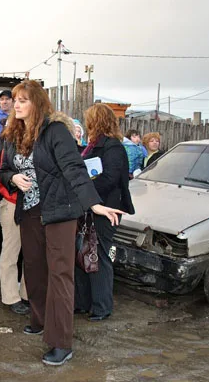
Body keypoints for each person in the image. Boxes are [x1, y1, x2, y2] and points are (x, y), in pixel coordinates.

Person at [0, 80, 124, 366]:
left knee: (60, 276)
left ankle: (61, 342)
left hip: (59, 211)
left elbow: (73, 168)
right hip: (28, 211)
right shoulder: (13, 133)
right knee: (34, 269)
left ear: (38, 103)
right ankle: (40, 319)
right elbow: (3, 168)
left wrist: (93, 203)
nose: (16, 104)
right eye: (15, 99)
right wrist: (12, 179)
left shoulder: (55, 131)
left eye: (23, 100)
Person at [75, 103, 135, 322]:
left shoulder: (113, 147)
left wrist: (84, 193)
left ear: (96, 121)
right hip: (90, 208)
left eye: (89, 118)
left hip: (106, 209)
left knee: (98, 257)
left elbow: (110, 178)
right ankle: (82, 303)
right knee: (82, 255)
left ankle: (102, 307)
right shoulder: (91, 146)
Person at [0, 116, 29, 315]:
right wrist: (13, 179)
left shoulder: (37, 143)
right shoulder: (3, 147)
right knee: (11, 251)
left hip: (33, 205)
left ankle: (28, 294)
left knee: (31, 253)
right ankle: (11, 296)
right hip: (12, 203)